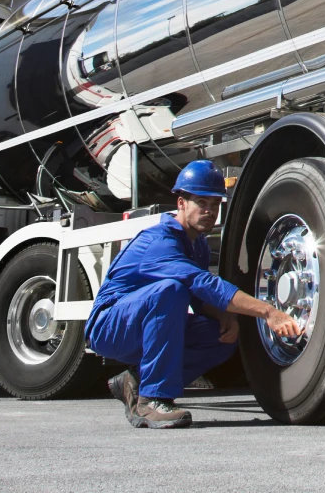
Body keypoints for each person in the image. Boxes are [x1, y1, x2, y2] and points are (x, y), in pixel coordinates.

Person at [85, 160, 303, 429]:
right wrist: (268, 311)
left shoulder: (197, 244)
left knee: (222, 338)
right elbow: (200, 283)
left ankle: (137, 381)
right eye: (201, 203)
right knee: (170, 290)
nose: (209, 212)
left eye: (215, 205)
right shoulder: (161, 241)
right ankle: (151, 401)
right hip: (110, 326)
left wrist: (225, 316)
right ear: (181, 204)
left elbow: (199, 298)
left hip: (140, 321)